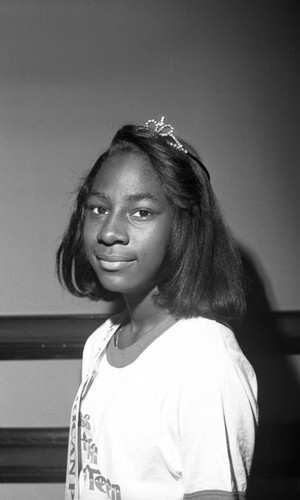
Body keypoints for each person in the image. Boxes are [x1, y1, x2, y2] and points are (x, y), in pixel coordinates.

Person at [57, 117, 258, 500]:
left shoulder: (205, 358)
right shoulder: (101, 342)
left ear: (182, 227)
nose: (109, 232)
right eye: (98, 208)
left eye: (141, 212)